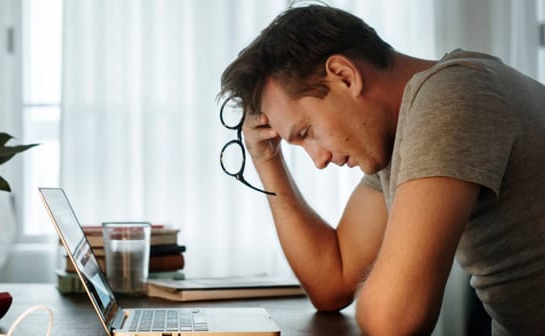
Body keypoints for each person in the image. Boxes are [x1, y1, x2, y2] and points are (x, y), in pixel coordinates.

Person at [219, 4, 545, 335]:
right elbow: (333, 283)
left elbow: (394, 321)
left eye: (307, 132)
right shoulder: (399, 134)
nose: (318, 160)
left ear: (344, 76)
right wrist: (266, 158)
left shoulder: (452, 96)